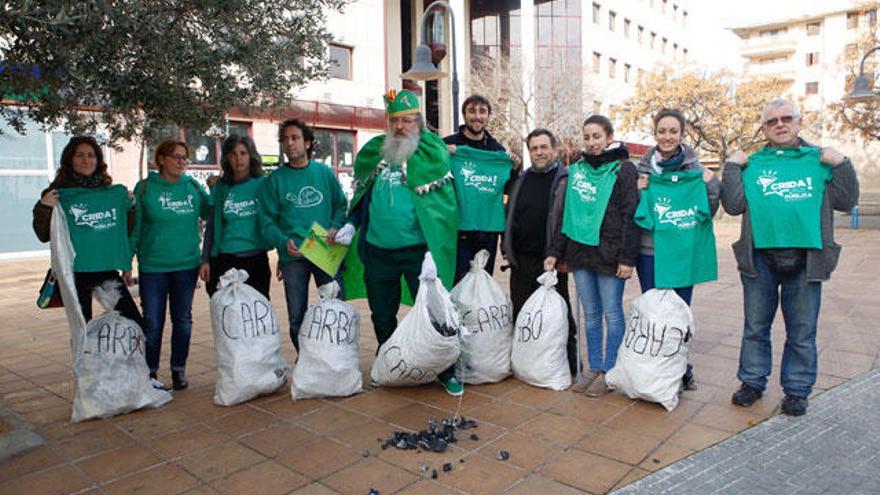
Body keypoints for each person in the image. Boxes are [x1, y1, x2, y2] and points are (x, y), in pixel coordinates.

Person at [722, 97, 859, 416]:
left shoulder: (820, 160)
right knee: (755, 327)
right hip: (759, 260)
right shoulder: (752, 164)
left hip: (806, 259)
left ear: (800, 122)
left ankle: (797, 390)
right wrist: (731, 167)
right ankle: (752, 382)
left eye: (786, 118)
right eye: (772, 121)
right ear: (763, 128)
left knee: (802, 329)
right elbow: (732, 205)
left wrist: (842, 164)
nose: (780, 124)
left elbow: (846, 201)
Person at [333, 89, 461, 395]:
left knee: (434, 312)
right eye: (395, 121)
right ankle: (390, 361)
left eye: (406, 120)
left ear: (418, 122)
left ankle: (445, 369)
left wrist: (432, 252)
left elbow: (442, 213)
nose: (400, 127)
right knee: (381, 312)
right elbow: (363, 198)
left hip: (418, 252)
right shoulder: (376, 154)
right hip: (378, 252)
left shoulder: (433, 157)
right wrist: (352, 224)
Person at [545, 115, 639, 397]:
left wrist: (627, 258)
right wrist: (554, 252)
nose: (592, 142)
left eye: (597, 136)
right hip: (581, 252)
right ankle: (594, 368)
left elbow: (630, 215)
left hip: (611, 255)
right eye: (587, 137)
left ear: (609, 137)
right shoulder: (577, 171)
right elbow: (566, 214)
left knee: (612, 312)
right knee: (590, 315)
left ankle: (610, 371)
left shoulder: (624, 170)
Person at [635, 108, 720, 391]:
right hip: (649, 252)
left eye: (673, 131)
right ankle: (652, 367)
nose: (667, 136)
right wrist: (638, 190)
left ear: (682, 134)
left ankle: (681, 367)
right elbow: (632, 209)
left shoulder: (695, 171)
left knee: (679, 313)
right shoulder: (642, 169)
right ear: (655, 133)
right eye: (662, 131)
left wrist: (712, 184)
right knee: (652, 310)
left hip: (683, 251)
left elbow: (709, 211)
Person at [32, 136, 145, 326]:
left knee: (134, 323)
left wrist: (130, 206)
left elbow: (125, 229)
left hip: (106, 268)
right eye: (80, 155)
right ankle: (84, 357)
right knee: (81, 330)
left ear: (98, 160)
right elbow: (43, 235)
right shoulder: (58, 194)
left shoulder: (109, 192)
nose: (86, 160)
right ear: (70, 159)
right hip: (75, 272)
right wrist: (44, 207)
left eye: (91, 155)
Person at [259, 119, 348, 351]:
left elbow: (341, 206)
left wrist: (334, 227)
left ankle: (336, 355)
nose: (289, 143)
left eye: (295, 138)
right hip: (293, 257)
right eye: (285, 139)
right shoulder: (274, 181)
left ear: (307, 143)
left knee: (335, 306)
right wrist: (282, 242)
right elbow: (267, 220)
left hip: (325, 249)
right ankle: (305, 360)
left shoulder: (324, 173)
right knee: (296, 315)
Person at [131, 140, 210, 391]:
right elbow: (135, 228)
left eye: (185, 158)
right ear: (161, 159)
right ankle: (150, 373)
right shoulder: (145, 189)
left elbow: (213, 212)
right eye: (176, 157)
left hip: (186, 265)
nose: (181, 162)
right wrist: (126, 263)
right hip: (153, 266)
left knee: (183, 320)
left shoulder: (193, 188)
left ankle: (178, 370)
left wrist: (219, 191)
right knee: (153, 321)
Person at [501, 128, 579, 376]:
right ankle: (525, 365)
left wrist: (563, 255)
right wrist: (506, 247)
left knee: (560, 316)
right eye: (534, 148)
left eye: (544, 147)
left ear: (554, 149)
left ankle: (569, 363)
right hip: (521, 261)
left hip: (552, 262)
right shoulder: (521, 179)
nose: (539, 152)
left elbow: (571, 220)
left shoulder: (566, 179)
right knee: (522, 314)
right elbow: (510, 215)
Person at [443, 94, 520, 282]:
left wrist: (515, 167)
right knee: (458, 284)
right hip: (458, 229)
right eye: (472, 111)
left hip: (488, 230)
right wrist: (442, 153)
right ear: (464, 115)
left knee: (482, 284)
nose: (477, 116)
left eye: (482, 111)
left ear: (488, 116)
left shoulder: (497, 152)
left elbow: (509, 189)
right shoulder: (448, 145)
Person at [199, 135, 271, 298]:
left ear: (251, 156)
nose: (238, 159)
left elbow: (275, 220)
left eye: (243, 153)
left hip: (255, 259)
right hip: (224, 259)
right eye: (232, 154)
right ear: (226, 158)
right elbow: (211, 226)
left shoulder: (263, 184)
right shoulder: (221, 187)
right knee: (226, 314)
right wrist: (205, 260)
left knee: (257, 314)